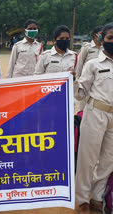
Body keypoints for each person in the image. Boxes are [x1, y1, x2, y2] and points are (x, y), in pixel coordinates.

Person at [75, 22, 113, 214]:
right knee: (87, 159)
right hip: (95, 114)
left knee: (108, 159)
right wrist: (73, 83)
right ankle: (82, 200)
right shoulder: (93, 64)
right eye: (110, 38)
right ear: (101, 39)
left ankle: (97, 198)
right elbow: (81, 93)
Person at [75, 26, 103, 113]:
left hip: (100, 82)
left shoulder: (106, 48)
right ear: (95, 35)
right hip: (86, 82)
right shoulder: (87, 48)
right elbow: (79, 65)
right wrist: (78, 81)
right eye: (102, 34)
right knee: (83, 106)